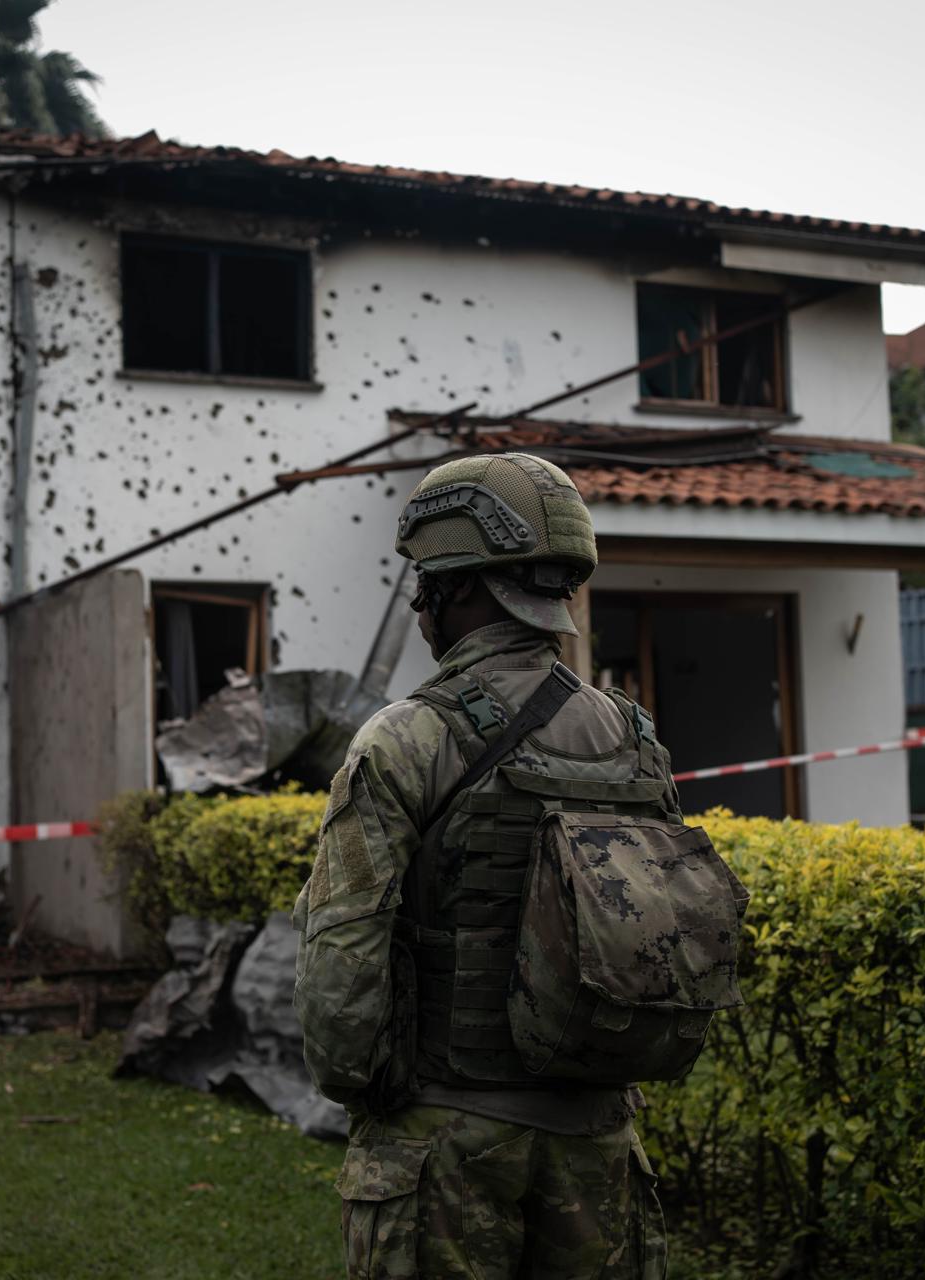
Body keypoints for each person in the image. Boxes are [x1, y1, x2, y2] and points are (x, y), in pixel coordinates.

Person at [293, 453, 683, 1279]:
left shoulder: (407, 738)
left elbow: (342, 949)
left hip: (443, 1146)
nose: (421, 607)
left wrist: (361, 1084)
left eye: (425, 584)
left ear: (461, 590)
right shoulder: (634, 737)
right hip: (599, 1147)